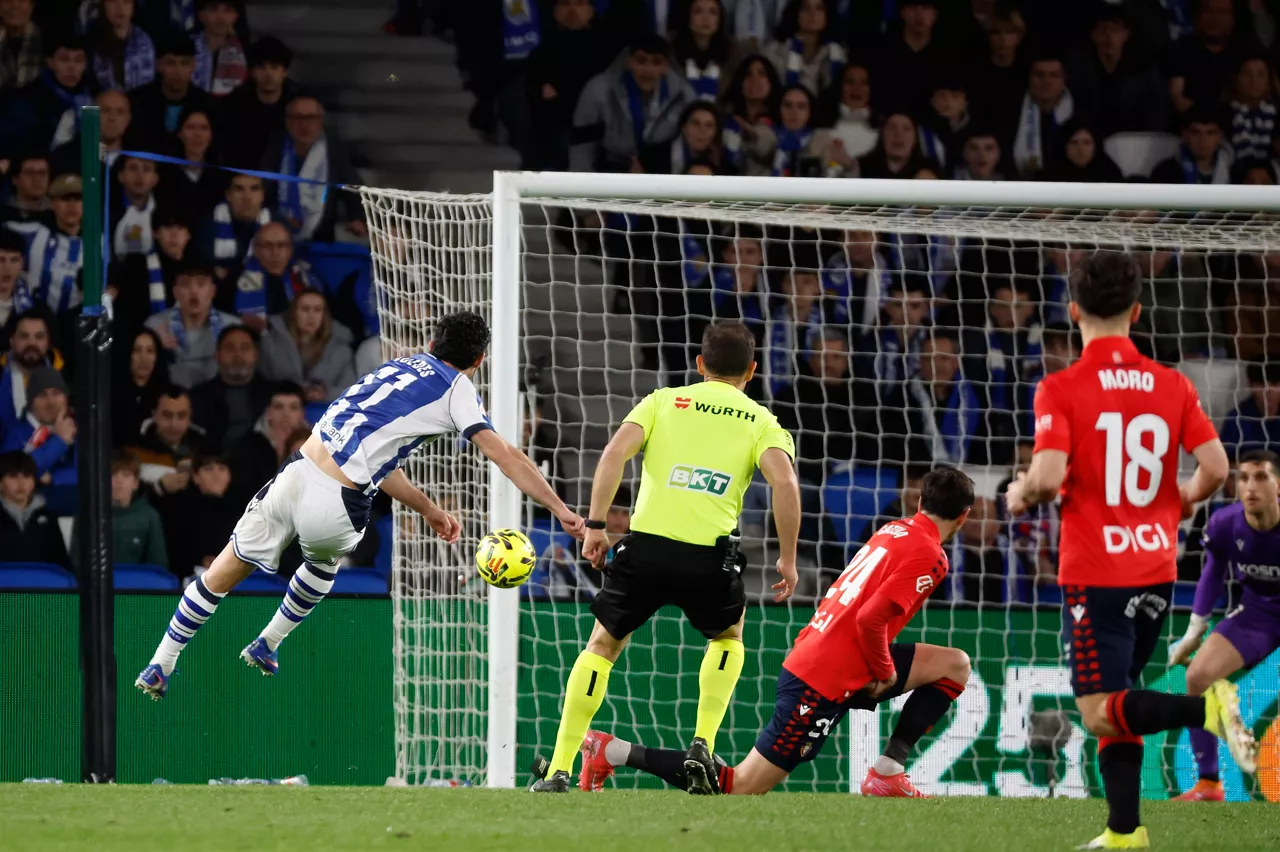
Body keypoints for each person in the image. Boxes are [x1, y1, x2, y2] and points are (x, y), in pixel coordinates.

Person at [135, 311, 584, 699]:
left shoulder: (398, 366)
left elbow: (376, 457)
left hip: (295, 471)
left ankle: (161, 662)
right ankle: (268, 642)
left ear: (431, 343)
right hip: (335, 501)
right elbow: (506, 454)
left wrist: (427, 508)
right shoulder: (457, 389)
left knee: (223, 573)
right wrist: (560, 508)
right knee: (322, 565)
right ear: (478, 362)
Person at [1004, 251, 1255, 849]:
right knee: (1121, 700)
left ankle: (1206, 712)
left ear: (1073, 311)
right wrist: (1183, 500)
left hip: (1097, 571)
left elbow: (1045, 475)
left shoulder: (1061, 387)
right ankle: (1123, 831)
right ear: (1137, 311)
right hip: (1156, 567)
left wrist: (1020, 495)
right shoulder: (1172, 383)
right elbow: (1217, 469)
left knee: (1097, 710)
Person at [573, 467, 975, 797]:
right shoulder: (931, 554)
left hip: (835, 656)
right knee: (740, 786)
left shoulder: (894, 530)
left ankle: (887, 771)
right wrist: (885, 671)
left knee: (954, 664)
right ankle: (613, 750)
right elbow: (870, 619)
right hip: (823, 677)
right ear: (964, 516)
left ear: (919, 502)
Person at [532, 321, 800, 793]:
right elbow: (785, 484)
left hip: (647, 548)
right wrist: (788, 557)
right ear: (752, 371)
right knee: (728, 637)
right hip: (710, 558)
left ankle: (559, 769)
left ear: (699, 364)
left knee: (601, 647)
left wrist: (596, 525)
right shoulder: (761, 421)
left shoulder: (662, 401)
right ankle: (702, 743)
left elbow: (614, 453)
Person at [1168, 449, 1280, 801]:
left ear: (1279, 485)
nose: (1250, 487)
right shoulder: (1223, 524)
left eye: (1261, 477)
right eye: (1243, 477)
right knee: (1197, 677)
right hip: (1258, 615)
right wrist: (1193, 632)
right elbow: (1212, 574)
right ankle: (1209, 783)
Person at [570, 34, 696, 174]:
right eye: (641, 61)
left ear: (665, 66)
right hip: (610, 170)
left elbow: (694, 142)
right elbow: (582, 144)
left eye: (656, 62)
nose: (648, 69)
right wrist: (581, 185)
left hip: (661, 172)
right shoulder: (599, 90)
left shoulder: (683, 95)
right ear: (629, 62)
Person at [261, 96, 366, 242]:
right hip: (277, 237)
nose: (304, 125)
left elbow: (353, 188)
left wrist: (358, 218)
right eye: (297, 118)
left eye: (311, 118)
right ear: (287, 122)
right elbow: (263, 193)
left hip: (321, 238)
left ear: (321, 122)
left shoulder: (333, 152)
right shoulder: (275, 151)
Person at [145, 262, 241, 388]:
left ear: (212, 291)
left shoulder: (233, 327)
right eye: (185, 284)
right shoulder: (155, 326)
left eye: (201, 284)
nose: (193, 291)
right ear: (175, 292)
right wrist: (155, 348)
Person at [259, 288, 355, 404]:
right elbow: (261, 381)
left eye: (317, 310)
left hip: (323, 413)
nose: (311, 316)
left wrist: (326, 393)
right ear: (294, 313)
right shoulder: (271, 342)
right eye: (305, 309)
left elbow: (351, 391)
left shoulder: (341, 349)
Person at [188, 325, 275, 450]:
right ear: (217, 356)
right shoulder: (197, 397)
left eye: (245, 348)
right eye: (230, 348)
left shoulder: (273, 394)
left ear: (256, 355)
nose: (238, 354)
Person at [220, 35, 300, 170]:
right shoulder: (234, 105)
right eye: (261, 67)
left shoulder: (298, 104)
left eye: (274, 67)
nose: (268, 74)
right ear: (252, 72)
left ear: (285, 71)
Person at [156, 451, 239, 578]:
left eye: (222, 469)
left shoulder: (240, 510)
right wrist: (201, 560)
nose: (216, 475)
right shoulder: (179, 507)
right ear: (195, 477)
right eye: (208, 469)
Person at [127, 30, 214, 150]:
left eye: (184, 63)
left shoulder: (208, 105)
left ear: (193, 66)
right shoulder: (135, 102)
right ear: (158, 66)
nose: (177, 71)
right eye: (170, 63)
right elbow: (103, 146)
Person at [227, 382, 307, 506]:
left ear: (302, 414)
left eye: (293, 407)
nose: (286, 414)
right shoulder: (246, 447)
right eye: (279, 407)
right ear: (268, 413)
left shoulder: (317, 444)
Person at [128, 385, 209, 495]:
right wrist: (158, 487)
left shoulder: (205, 447)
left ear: (190, 416)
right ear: (154, 414)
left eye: (182, 416)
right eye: (167, 415)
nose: (174, 425)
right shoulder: (132, 449)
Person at [762, 0, 845, 102]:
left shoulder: (839, 52)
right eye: (806, 8)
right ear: (796, 13)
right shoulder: (775, 50)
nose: (812, 14)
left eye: (819, 8)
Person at [0, 450, 69, 568]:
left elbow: (61, 561)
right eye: (13, 476)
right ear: (0, 482)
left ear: (33, 482)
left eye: (27, 476)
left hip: (41, 584)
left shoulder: (48, 516)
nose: (21, 483)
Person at [194, 173, 270, 280]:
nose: (247, 197)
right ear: (228, 195)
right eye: (239, 189)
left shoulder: (277, 225)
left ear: (263, 195)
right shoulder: (209, 226)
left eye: (254, 189)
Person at [113, 327, 169, 447]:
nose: (144, 358)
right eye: (137, 350)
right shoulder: (111, 394)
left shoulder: (166, 395)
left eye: (150, 351)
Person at [110, 449, 167, 567]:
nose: (118, 480)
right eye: (112, 474)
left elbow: (158, 565)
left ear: (135, 483)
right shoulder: (87, 515)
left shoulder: (149, 516)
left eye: (126, 475)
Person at [1151, 107, 1231, 185]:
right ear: (1185, 135)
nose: (1202, 140)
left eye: (1210, 133)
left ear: (1220, 137)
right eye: (1195, 132)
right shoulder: (1165, 172)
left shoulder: (1234, 172)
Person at [89, 0, 156, 92]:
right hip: (99, 103)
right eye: (113, 1)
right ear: (103, 6)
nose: (120, 8)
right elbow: (87, 93)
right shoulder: (90, 43)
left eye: (126, 2)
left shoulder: (146, 41)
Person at [192, 0, 247, 96]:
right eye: (213, 10)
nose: (220, 17)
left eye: (227, 10)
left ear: (235, 16)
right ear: (201, 15)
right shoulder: (187, 48)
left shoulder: (246, 53)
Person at [0, 0, 41, 92]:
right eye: (8, 1)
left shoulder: (45, 41)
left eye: (21, 1)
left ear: (31, 6)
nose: (15, 6)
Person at [1, 154, 50, 224]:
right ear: (15, 179)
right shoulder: (3, 213)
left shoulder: (59, 215)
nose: (37, 179)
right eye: (29, 173)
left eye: (42, 173)